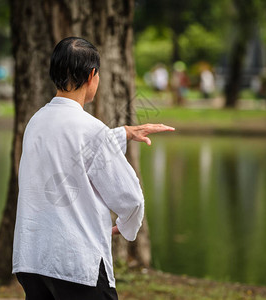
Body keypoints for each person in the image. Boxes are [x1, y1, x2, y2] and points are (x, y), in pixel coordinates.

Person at [12, 37, 175, 300]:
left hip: (32, 260)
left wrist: (120, 134)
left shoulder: (36, 122)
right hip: (76, 265)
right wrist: (127, 225)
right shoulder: (91, 130)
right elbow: (130, 199)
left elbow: (71, 149)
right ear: (92, 76)